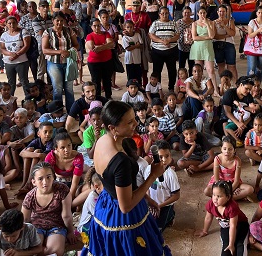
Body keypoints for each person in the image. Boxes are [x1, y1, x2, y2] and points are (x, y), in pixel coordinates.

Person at [86, 100, 170, 256]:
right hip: (123, 217)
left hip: (106, 206)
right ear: (113, 127)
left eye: (134, 119)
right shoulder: (120, 162)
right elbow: (125, 206)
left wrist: (146, 198)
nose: (135, 124)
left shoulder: (103, 140)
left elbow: (120, 184)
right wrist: (153, 176)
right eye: (130, 122)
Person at [21, 162, 77, 256]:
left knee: (56, 252)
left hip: (57, 226)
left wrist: (70, 231)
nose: (45, 182)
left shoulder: (62, 190)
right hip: (36, 226)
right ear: (33, 182)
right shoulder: (30, 196)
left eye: (48, 177)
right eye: (40, 179)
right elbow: (25, 220)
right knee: (30, 247)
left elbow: (66, 215)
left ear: (53, 177)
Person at [41, 12, 79, 109]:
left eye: (61, 20)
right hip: (54, 63)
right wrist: (60, 52)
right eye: (57, 20)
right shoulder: (47, 32)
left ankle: (71, 111)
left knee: (69, 88)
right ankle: (58, 111)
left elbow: (77, 45)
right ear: (53, 21)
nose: (59, 23)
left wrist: (70, 52)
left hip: (68, 63)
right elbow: (44, 50)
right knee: (57, 88)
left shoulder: (69, 30)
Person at [149, 7, 180, 92]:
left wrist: (169, 40)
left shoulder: (173, 23)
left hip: (171, 51)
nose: (165, 15)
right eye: (162, 13)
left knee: (172, 70)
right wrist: (162, 41)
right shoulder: (155, 23)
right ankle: (157, 89)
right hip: (157, 51)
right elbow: (151, 35)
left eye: (166, 13)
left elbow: (177, 35)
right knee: (157, 71)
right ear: (159, 14)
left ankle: (171, 88)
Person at [190, 7, 218, 95]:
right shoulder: (194, 23)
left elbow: (212, 35)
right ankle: (198, 88)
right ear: (197, 14)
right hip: (197, 48)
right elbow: (194, 37)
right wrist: (206, 38)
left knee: (211, 70)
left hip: (208, 48)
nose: (202, 15)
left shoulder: (211, 22)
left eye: (204, 13)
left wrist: (207, 24)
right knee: (198, 70)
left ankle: (215, 90)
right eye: (201, 13)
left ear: (206, 13)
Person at [85, 18, 114, 99]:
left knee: (107, 80)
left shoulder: (106, 34)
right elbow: (92, 47)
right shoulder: (89, 36)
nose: (97, 28)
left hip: (107, 61)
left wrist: (99, 47)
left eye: (98, 25)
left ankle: (108, 96)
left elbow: (112, 44)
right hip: (94, 63)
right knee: (96, 81)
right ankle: (97, 98)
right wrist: (105, 46)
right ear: (91, 27)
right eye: (95, 26)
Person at [213, 4, 238, 83]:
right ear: (217, 12)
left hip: (229, 44)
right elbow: (215, 36)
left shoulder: (230, 21)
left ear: (226, 12)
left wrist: (224, 26)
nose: (222, 13)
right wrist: (227, 35)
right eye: (220, 11)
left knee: (232, 66)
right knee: (221, 65)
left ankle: (235, 84)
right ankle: (223, 84)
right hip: (217, 45)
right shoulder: (214, 22)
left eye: (223, 11)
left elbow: (233, 33)